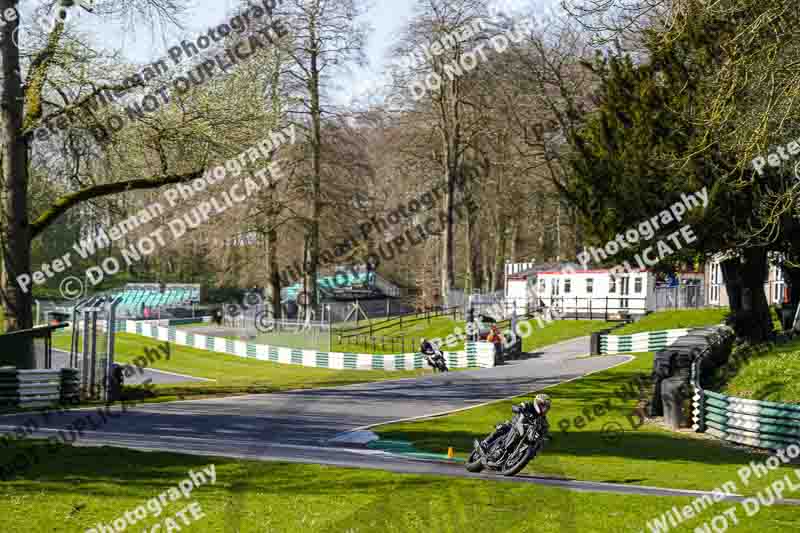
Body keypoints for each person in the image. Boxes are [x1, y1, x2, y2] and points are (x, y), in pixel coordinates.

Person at [478, 394, 552, 455]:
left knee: (537, 443)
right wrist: (518, 408)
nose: (544, 409)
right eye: (543, 406)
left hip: (526, 434)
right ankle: (486, 442)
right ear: (538, 403)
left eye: (546, 407)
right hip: (514, 424)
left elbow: (545, 429)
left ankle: (518, 457)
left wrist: (546, 435)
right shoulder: (528, 405)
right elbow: (516, 407)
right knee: (504, 427)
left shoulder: (543, 419)